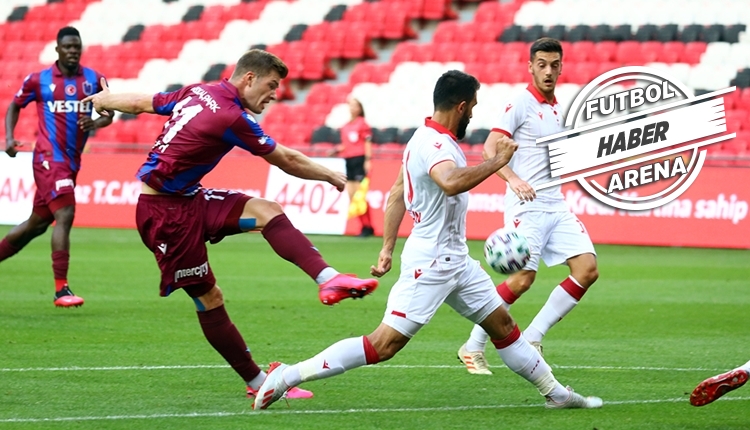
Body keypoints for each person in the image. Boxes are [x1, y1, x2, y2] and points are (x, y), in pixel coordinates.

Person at [252, 70, 602, 411]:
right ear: (461, 107)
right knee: (384, 344)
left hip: (458, 261)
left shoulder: (426, 139)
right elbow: (449, 182)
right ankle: (286, 376)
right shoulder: (435, 144)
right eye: (474, 107)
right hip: (431, 263)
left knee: (503, 326)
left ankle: (555, 392)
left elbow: (396, 193)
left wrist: (387, 248)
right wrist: (498, 162)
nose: (474, 114)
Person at [82, 49, 379, 400]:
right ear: (249, 78)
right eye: (271, 85)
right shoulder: (230, 116)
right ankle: (258, 384)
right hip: (165, 217)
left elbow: (142, 101)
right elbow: (285, 158)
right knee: (209, 297)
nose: (274, 94)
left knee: (267, 210)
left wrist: (104, 98)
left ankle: (329, 280)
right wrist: (331, 175)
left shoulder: (198, 92)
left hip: (190, 200)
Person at [456, 37, 600, 375]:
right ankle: (473, 345)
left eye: (554, 65)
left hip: (556, 205)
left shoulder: (559, 109)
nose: (548, 71)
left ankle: (533, 336)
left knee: (587, 270)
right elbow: (489, 149)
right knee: (522, 280)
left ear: (561, 67)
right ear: (531, 66)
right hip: (527, 207)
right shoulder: (520, 102)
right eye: (541, 65)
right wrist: (513, 179)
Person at [1, 26, 113, 308]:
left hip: (72, 161)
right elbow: (14, 105)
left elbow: (109, 113)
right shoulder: (39, 80)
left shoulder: (94, 79)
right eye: (68, 47)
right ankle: (61, 290)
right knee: (65, 213)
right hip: (48, 158)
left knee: (35, 226)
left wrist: (97, 122)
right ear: (58, 49)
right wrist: (10, 138)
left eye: (77, 46)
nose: (73, 51)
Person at [328, 97, 374, 237]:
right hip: (348, 160)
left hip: (359, 159)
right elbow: (346, 144)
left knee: (360, 196)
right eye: (350, 105)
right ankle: (364, 226)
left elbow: (367, 143)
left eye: (355, 105)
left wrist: (367, 159)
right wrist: (337, 150)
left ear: (360, 109)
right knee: (352, 196)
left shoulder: (363, 124)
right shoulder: (346, 126)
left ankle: (368, 226)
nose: (352, 108)